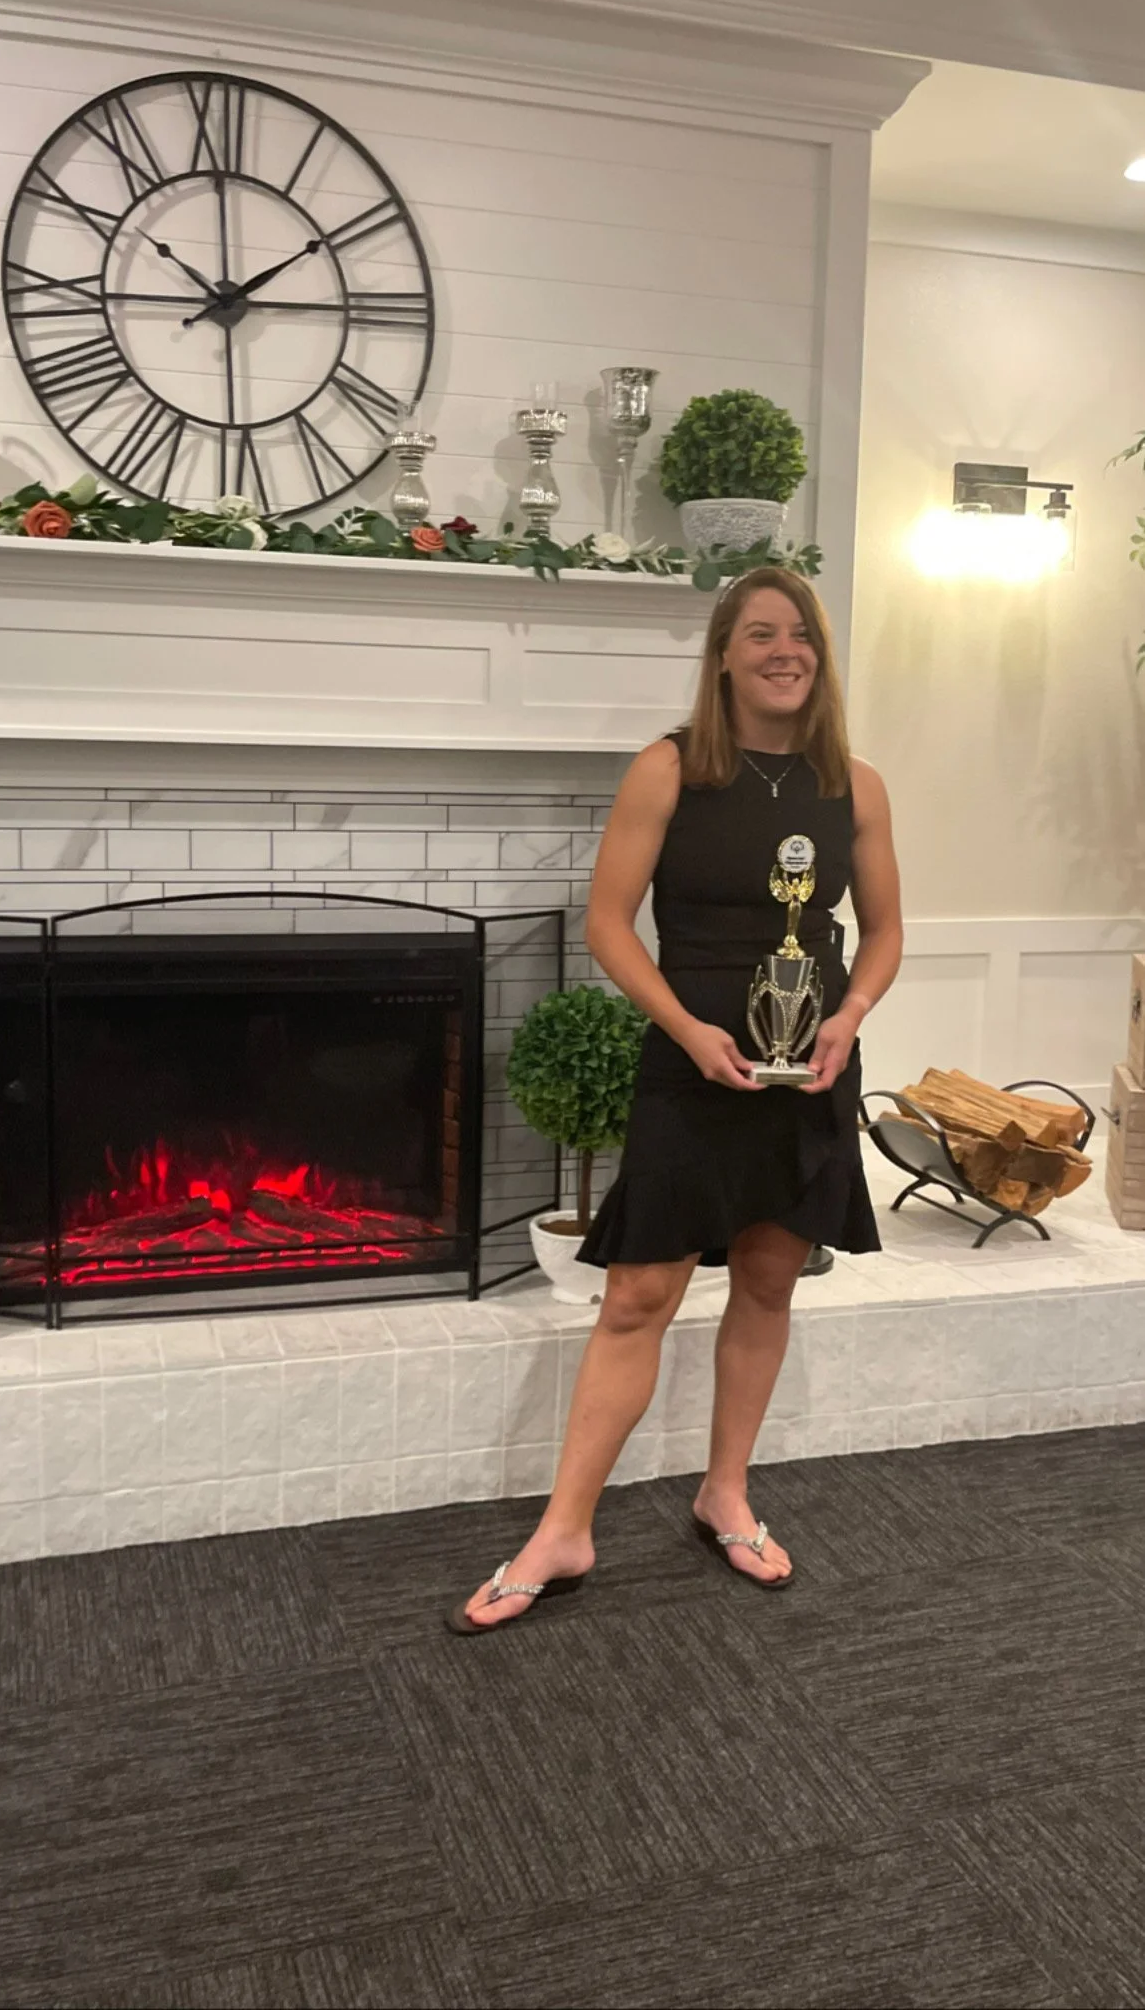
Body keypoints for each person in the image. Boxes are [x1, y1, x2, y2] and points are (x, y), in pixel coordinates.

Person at [448, 565, 903, 1634]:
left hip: (809, 1069)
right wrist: (686, 1029)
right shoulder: (668, 770)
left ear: (820, 654)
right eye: (760, 634)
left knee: (768, 1280)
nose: (785, 650)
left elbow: (880, 930)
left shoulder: (859, 785)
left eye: (801, 634)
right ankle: (565, 1528)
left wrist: (851, 1016)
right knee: (639, 1297)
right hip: (691, 1063)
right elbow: (609, 922)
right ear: (723, 655)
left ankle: (725, 1491)